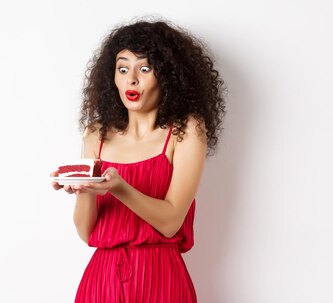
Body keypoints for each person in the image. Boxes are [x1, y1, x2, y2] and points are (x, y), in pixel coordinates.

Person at [49, 19, 226, 302]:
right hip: (102, 281)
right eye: (123, 68)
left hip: (162, 280)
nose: (131, 79)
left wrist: (119, 187)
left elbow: (170, 222)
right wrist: (84, 189)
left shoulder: (186, 130)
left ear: (167, 74)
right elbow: (86, 232)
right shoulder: (97, 134)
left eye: (144, 68)